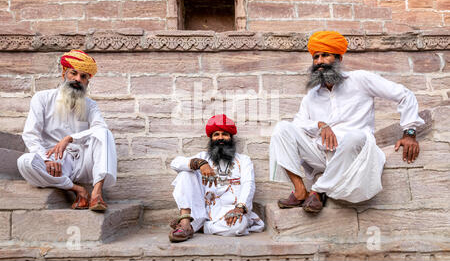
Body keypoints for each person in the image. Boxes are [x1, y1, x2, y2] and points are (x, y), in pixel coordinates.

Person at [270, 31, 424, 213]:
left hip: (355, 154)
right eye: (316, 57)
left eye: (325, 55)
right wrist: (320, 125)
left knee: (356, 136)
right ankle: (300, 190)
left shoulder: (360, 79)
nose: (319, 61)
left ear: (339, 59)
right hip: (322, 155)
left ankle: (319, 190)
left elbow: (405, 95)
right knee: (282, 128)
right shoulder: (312, 95)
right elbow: (298, 124)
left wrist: (410, 132)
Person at [17, 49, 117, 211]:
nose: (78, 79)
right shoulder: (42, 98)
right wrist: (45, 159)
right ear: (64, 73)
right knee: (25, 162)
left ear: (87, 82)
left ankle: (97, 193)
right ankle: (78, 190)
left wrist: (70, 138)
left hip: (84, 161)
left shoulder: (91, 105)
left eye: (83, 76)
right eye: (74, 73)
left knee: (103, 133)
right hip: (55, 162)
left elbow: (100, 128)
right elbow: (31, 134)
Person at [169, 114, 264, 242]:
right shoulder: (203, 156)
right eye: (216, 135)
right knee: (185, 173)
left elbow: (249, 184)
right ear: (211, 139)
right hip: (202, 211)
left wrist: (240, 208)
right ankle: (186, 222)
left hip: (231, 211)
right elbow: (175, 163)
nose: (220, 138)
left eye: (224, 134)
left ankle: (197, 228)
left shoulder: (243, 160)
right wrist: (199, 163)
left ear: (231, 137)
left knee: (238, 226)